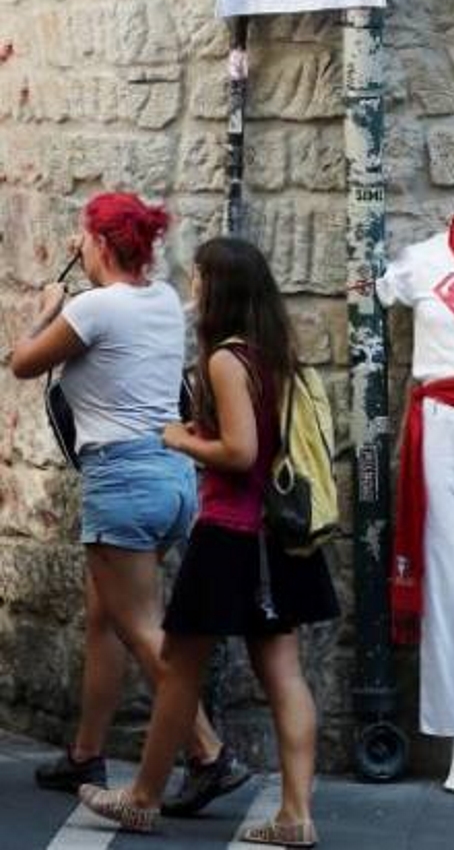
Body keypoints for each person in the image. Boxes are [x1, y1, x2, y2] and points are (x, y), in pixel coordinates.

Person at [79, 236, 338, 847]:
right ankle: (296, 816)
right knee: (285, 675)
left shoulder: (226, 359)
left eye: (197, 278)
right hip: (278, 541)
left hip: (231, 537)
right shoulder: (275, 355)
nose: (191, 287)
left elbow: (241, 453)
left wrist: (181, 439)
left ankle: (143, 798)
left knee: (177, 670)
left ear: (217, 287)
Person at [7, 192, 249, 812]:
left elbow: (23, 364)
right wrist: (93, 256)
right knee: (105, 616)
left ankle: (209, 754)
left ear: (101, 245)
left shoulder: (93, 310)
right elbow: (115, 300)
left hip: (122, 482)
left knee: (142, 629)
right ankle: (86, 751)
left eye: (87, 238)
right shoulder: (161, 299)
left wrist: (45, 311)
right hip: (172, 479)